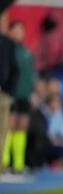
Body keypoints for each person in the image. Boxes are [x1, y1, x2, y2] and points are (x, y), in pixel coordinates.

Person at [2, 21, 35, 174]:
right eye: (15, 30)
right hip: (9, 92)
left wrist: (33, 92)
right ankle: (4, 161)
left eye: (21, 30)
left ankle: (18, 164)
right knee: (8, 125)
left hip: (24, 94)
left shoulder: (26, 52)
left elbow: (30, 75)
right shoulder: (6, 49)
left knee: (21, 127)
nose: (18, 33)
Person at [0, 26, 18, 173]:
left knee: (2, 133)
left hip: (3, 94)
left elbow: (14, 69)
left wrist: (9, 92)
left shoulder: (7, 43)